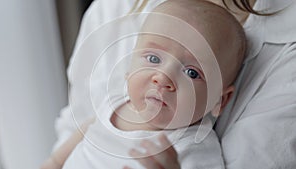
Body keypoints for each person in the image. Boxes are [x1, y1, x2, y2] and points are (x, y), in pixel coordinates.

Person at [43, 0, 296, 168]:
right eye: (153, 59)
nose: (163, 78)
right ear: (128, 68)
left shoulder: (193, 146)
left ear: (221, 100)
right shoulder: (113, 103)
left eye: (192, 73)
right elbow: (65, 149)